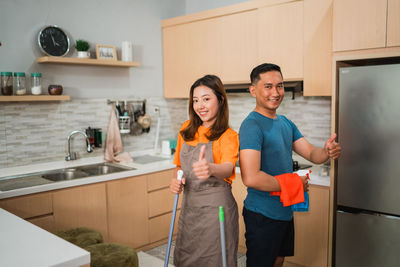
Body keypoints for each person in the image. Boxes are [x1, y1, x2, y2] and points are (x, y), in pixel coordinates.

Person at [239, 63, 341, 267]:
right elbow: (251, 177)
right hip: (262, 214)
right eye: (268, 86)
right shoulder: (252, 125)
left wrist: (327, 151)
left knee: (278, 260)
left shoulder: (285, 122)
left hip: (284, 211)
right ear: (253, 90)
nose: (275, 93)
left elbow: (312, 153)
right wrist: (294, 184)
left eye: (280, 86)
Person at [170, 74, 239, 267]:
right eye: (195, 100)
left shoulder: (229, 135)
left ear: (221, 100)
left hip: (216, 212)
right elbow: (179, 167)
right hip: (190, 209)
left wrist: (210, 168)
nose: (200, 105)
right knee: (186, 259)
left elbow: (227, 168)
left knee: (215, 260)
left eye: (206, 99)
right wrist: (176, 181)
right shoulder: (186, 129)